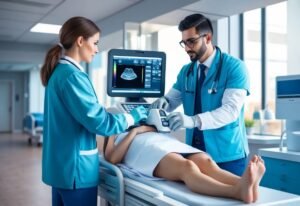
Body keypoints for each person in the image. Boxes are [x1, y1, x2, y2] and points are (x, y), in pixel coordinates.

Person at [40, 16, 147, 206]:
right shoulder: (73, 76)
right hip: (76, 172)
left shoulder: (57, 73)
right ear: (80, 41)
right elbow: (101, 123)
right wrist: (133, 116)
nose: (97, 49)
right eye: (95, 43)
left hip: (61, 169)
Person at [150, 13, 250, 176]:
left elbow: (231, 111)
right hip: (195, 152)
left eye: (192, 41)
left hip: (227, 155)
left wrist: (193, 120)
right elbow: (172, 99)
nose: (187, 48)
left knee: (229, 198)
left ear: (208, 38)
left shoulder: (234, 67)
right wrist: (164, 102)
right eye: (184, 42)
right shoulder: (187, 71)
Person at [103, 125, 266, 204]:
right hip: (144, 149)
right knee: (187, 167)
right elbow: (112, 158)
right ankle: (235, 191)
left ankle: (245, 184)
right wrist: (135, 131)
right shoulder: (113, 129)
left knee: (207, 162)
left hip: (164, 142)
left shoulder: (144, 119)